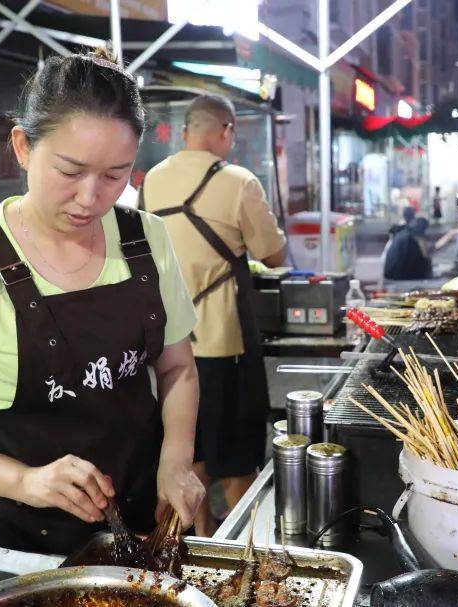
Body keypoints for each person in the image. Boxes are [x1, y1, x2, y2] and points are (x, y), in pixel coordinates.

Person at [0, 49, 205, 554]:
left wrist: (177, 459)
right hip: (30, 542)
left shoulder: (147, 239)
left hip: (145, 518)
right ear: (22, 146)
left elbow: (177, 368)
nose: (90, 198)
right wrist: (26, 481)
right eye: (70, 170)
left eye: (114, 175)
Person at [139, 94, 286, 535]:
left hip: (168, 345)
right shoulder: (239, 181)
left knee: (191, 452)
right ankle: (242, 551)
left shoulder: (150, 182)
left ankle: (201, 540)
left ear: (184, 132)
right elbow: (273, 254)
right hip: (225, 343)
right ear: (226, 131)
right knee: (237, 459)